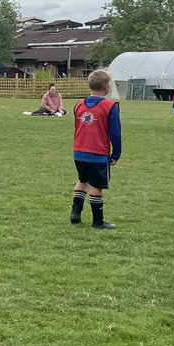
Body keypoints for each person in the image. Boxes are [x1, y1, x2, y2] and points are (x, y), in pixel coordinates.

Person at [70, 69, 120, 230]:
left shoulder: (79, 105)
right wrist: (116, 153)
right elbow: (115, 133)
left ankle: (75, 213)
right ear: (107, 87)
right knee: (95, 186)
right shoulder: (110, 106)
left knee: (82, 180)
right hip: (98, 154)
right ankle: (97, 221)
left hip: (79, 151)